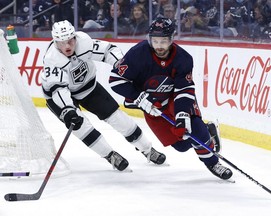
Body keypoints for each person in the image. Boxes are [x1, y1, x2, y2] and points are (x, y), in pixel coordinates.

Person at [109, 17, 233, 180]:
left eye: (163, 41)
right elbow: (115, 80)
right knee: (181, 145)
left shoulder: (183, 58)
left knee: (193, 127)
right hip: (151, 106)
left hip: (175, 99)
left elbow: (184, 89)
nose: (159, 46)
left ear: (171, 39)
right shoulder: (137, 54)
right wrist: (139, 97)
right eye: (155, 41)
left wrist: (182, 115)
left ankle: (213, 162)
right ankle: (209, 131)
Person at [41, 20, 166, 172]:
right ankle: (110, 155)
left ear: (74, 37)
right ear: (55, 42)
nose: (67, 46)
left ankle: (147, 150)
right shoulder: (52, 60)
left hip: (88, 87)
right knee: (82, 128)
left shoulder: (84, 42)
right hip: (58, 97)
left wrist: (121, 65)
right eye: (62, 43)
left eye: (70, 41)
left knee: (119, 118)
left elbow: (108, 50)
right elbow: (59, 89)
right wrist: (68, 109)